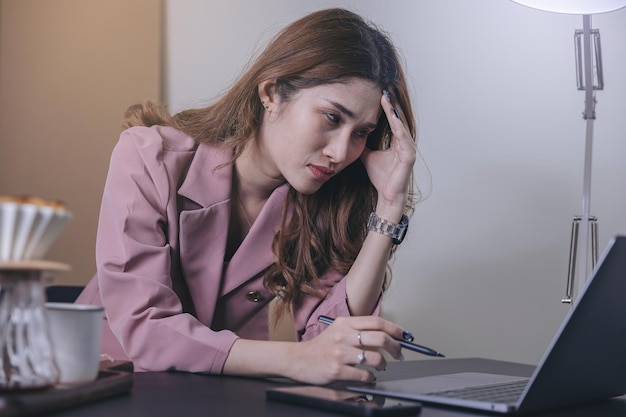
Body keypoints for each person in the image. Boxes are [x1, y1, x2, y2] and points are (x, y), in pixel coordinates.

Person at [77, 7, 421, 385]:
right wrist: (294, 359)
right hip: (96, 382)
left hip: (209, 394)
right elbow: (146, 330)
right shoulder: (148, 158)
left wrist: (388, 206)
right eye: (332, 118)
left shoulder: (322, 203)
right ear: (271, 93)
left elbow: (333, 345)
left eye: (361, 133)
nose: (341, 152)